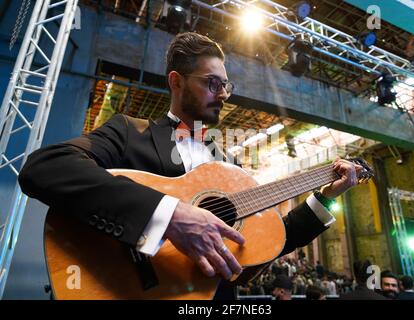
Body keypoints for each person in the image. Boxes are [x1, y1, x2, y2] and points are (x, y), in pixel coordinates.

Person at [18, 32, 361, 300]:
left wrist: (326, 197)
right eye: (212, 83)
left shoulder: (230, 168)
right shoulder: (129, 132)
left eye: (226, 84)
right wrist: (169, 215)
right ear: (176, 81)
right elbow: (45, 168)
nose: (224, 94)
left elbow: (263, 244)